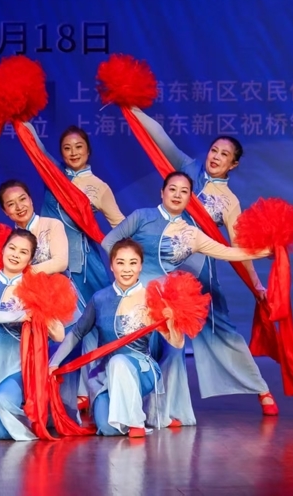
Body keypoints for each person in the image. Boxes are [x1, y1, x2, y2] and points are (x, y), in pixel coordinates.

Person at [132, 108, 278, 416]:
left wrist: (256, 285)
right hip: (162, 263)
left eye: (224, 155)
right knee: (154, 329)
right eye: (214, 150)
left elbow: (239, 248)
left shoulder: (230, 201)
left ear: (233, 164)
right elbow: (160, 138)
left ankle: (260, 388)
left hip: (198, 272)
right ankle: (151, 402)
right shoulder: (188, 168)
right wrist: (131, 107)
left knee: (221, 330)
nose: (216, 157)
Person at [101, 171, 270, 427]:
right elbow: (109, 242)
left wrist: (263, 251)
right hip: (134, 298)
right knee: (133, 354)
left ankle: (164, 412)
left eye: (184, 191)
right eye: (172, 189)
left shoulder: (192, 234)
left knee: (173, 353)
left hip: (166, 301)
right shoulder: (141, 216)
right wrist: (128, 276)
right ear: (162, 192)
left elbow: (227, 252)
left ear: (191, 197)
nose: (177, 195)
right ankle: (122, 412)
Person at [49, 238, 184, 437]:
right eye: (120, 263)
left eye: (133, 263)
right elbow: (77, 332)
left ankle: (136, 422)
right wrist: (54, 362)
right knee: (107, 429)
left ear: (140, 266)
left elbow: (177, 343)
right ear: (112, 266)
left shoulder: (152, 298)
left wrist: (172, 321)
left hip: (142, 371)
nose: (127, 269)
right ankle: (144, 415)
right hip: (105, 376)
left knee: (119, 361)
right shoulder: (100, 299)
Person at [0, 229, 65, 440]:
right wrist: (20, 315)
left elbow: (59, 335)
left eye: (23, 252)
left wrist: (41, 310)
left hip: (20, 368)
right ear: (3, 250)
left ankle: (36, 425)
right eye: (12, 248)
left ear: (30, 260)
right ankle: (33, 422)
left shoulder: (35, 288)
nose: (15, 255)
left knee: (2, 400)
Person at [25, 123, 125, 304]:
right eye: (67, 148)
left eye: (79, 147)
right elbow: (36, 147)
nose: (73, 153)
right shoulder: (53, 174)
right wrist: (20, 120)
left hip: (79, 262)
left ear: (88, 151)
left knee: (87, 313)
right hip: (44, 256)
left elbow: (120, 225)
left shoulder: (99, 187)